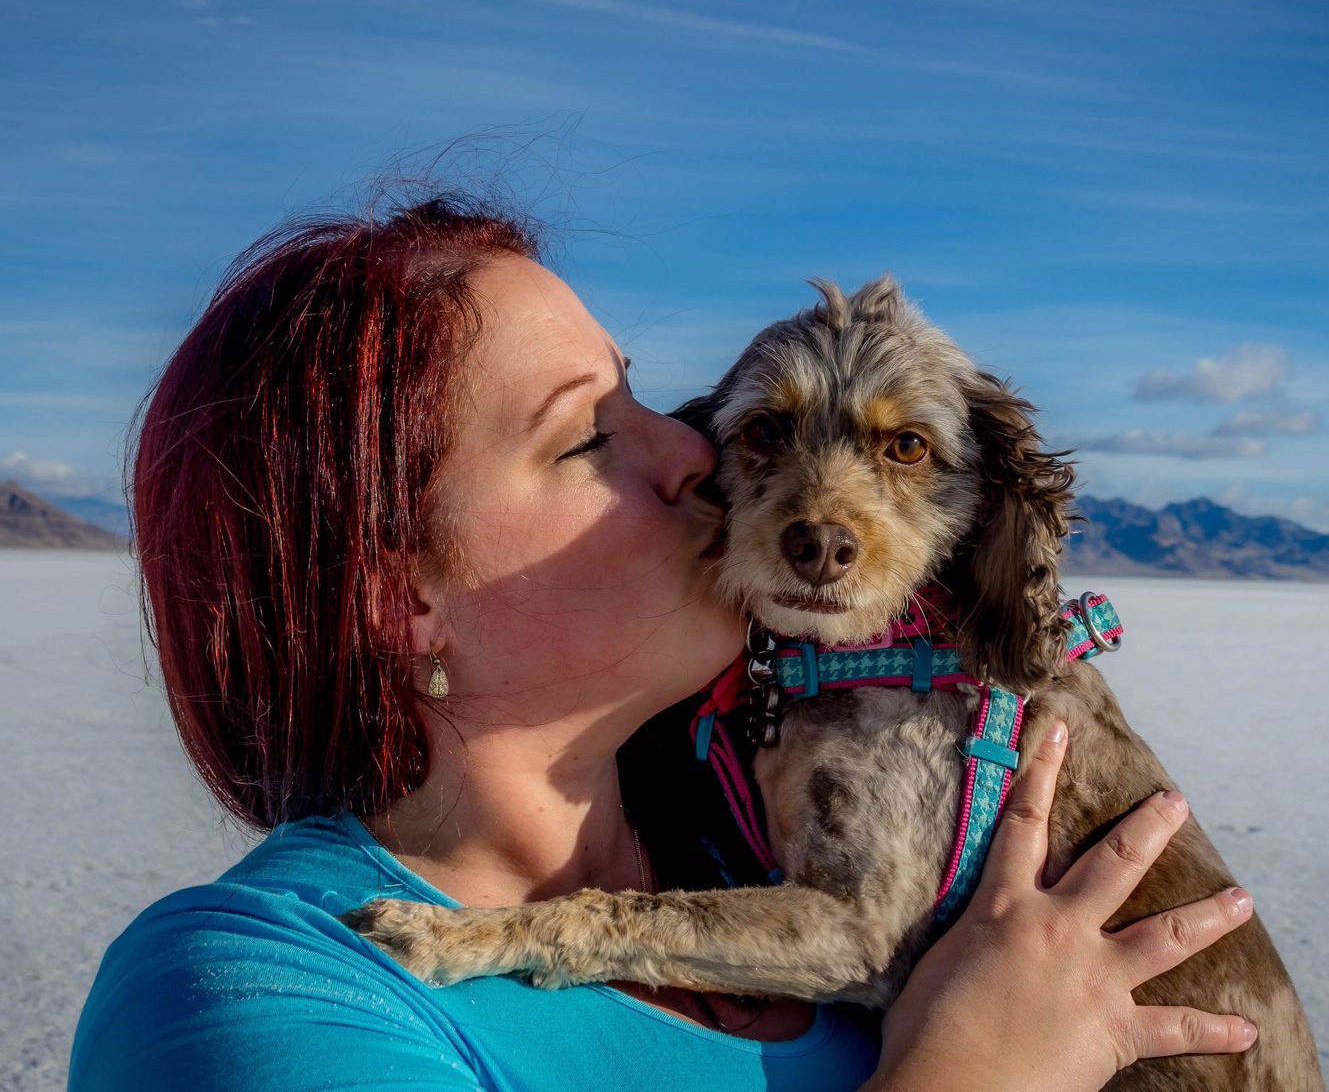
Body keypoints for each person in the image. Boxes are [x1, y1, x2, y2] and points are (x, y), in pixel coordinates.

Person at [69, 195, 1258, 1092]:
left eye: (638, 393)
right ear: (396, 599)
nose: (695, 451)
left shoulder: (761, 836)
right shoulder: (253, 989)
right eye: (588, 438)